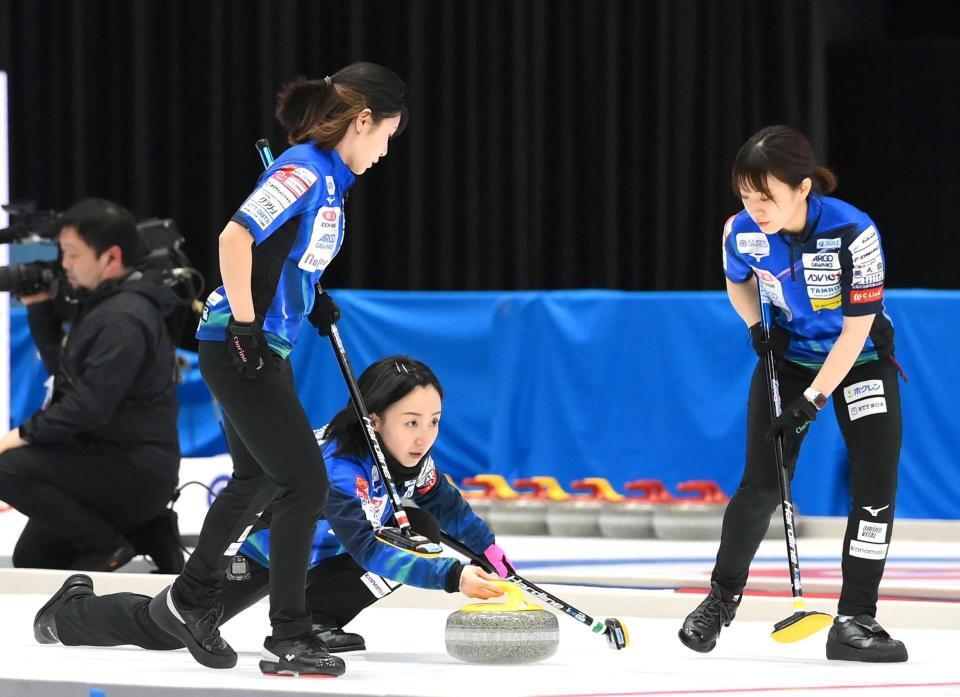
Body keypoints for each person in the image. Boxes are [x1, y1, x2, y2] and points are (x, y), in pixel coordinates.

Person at [146, 63, 410, 677]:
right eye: (387, 137)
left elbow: (282, 254)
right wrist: (244, 323)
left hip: (263, 343)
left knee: (257, 479)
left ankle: (188, 601)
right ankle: (290, 634)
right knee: (305, 483)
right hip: (242, 345)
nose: (385, 152)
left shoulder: (331, 180)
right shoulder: (300, 170)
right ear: (362, 121)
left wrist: (308, 292)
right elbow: (235, 238)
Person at [32, 356, 510, 675]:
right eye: (411, 422)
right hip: (261, 553)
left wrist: (490, 552)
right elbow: (368, 547)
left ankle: (316, 619)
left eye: (434, 422)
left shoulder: (408, 460)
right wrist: (453, 577)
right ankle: (69, 612)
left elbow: (446, 504)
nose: (424, 436)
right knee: (163, 632)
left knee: (423, 526)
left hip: (313, 556)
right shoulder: (338, 470)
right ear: (374, 419)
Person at [677, 125, 907, 662]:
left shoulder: (855, 231)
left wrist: (814, 399)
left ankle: (855, 618)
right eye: (746, 195)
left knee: (875, 488)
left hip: (860, 362)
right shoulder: (741, 231)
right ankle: (719, 600)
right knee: (762, 484)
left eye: (768, 196)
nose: (755, 208)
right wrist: (758, 325)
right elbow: (737, 281)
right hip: (790, 360)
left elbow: (856, 329)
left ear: (803, 188)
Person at [0, 199, 181, 573]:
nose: (64, 264)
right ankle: (150, 531)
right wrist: (39, 308)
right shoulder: (104, 304)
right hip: (109, 457)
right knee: (34, 559)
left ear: (110, 258)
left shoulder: (123, 317)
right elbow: (67, 380)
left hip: (135, 470)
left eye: (72, 254)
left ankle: (109, 545)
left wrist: (20, 435)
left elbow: (88, 406)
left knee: (6, 466)